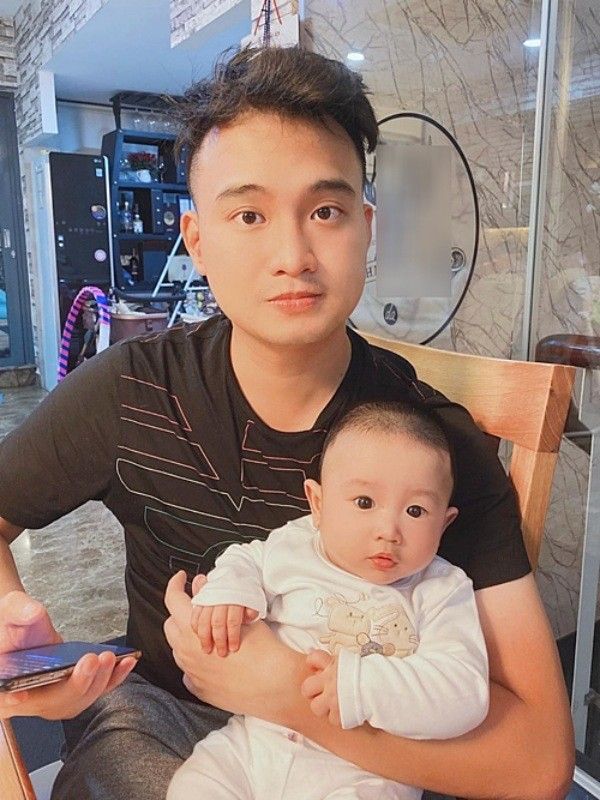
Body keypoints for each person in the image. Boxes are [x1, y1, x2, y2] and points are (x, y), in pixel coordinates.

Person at [0, 45, 573, 800]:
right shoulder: (133, 389)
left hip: (364, 738)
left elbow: (539, 759)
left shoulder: (429, 448)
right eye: (249, 215)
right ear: (197, 240)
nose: (293, 255)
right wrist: (13, 621)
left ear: (367, 228)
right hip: (163, 712)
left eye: (326, 212)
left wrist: (285, 694)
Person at [168, 400, 489, 800]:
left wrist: (362, 685)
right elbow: (243, 559)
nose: (388, 530)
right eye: (365, 503)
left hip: (365, 771)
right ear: (317, 504)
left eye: (415, 510)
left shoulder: (441, 590)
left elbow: (465, 693)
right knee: (196, 784)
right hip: (256, 745)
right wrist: (230, 595)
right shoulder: (297, 544)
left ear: (444, 522)